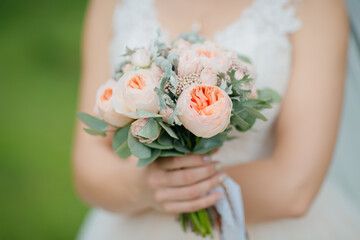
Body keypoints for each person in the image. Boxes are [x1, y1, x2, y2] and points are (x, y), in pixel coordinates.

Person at [73, 0, 359, 239]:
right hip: (136, 214)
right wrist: (147, 188)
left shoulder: (317, 5)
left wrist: (185, 187)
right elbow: (89, 162)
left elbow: (296, 187)